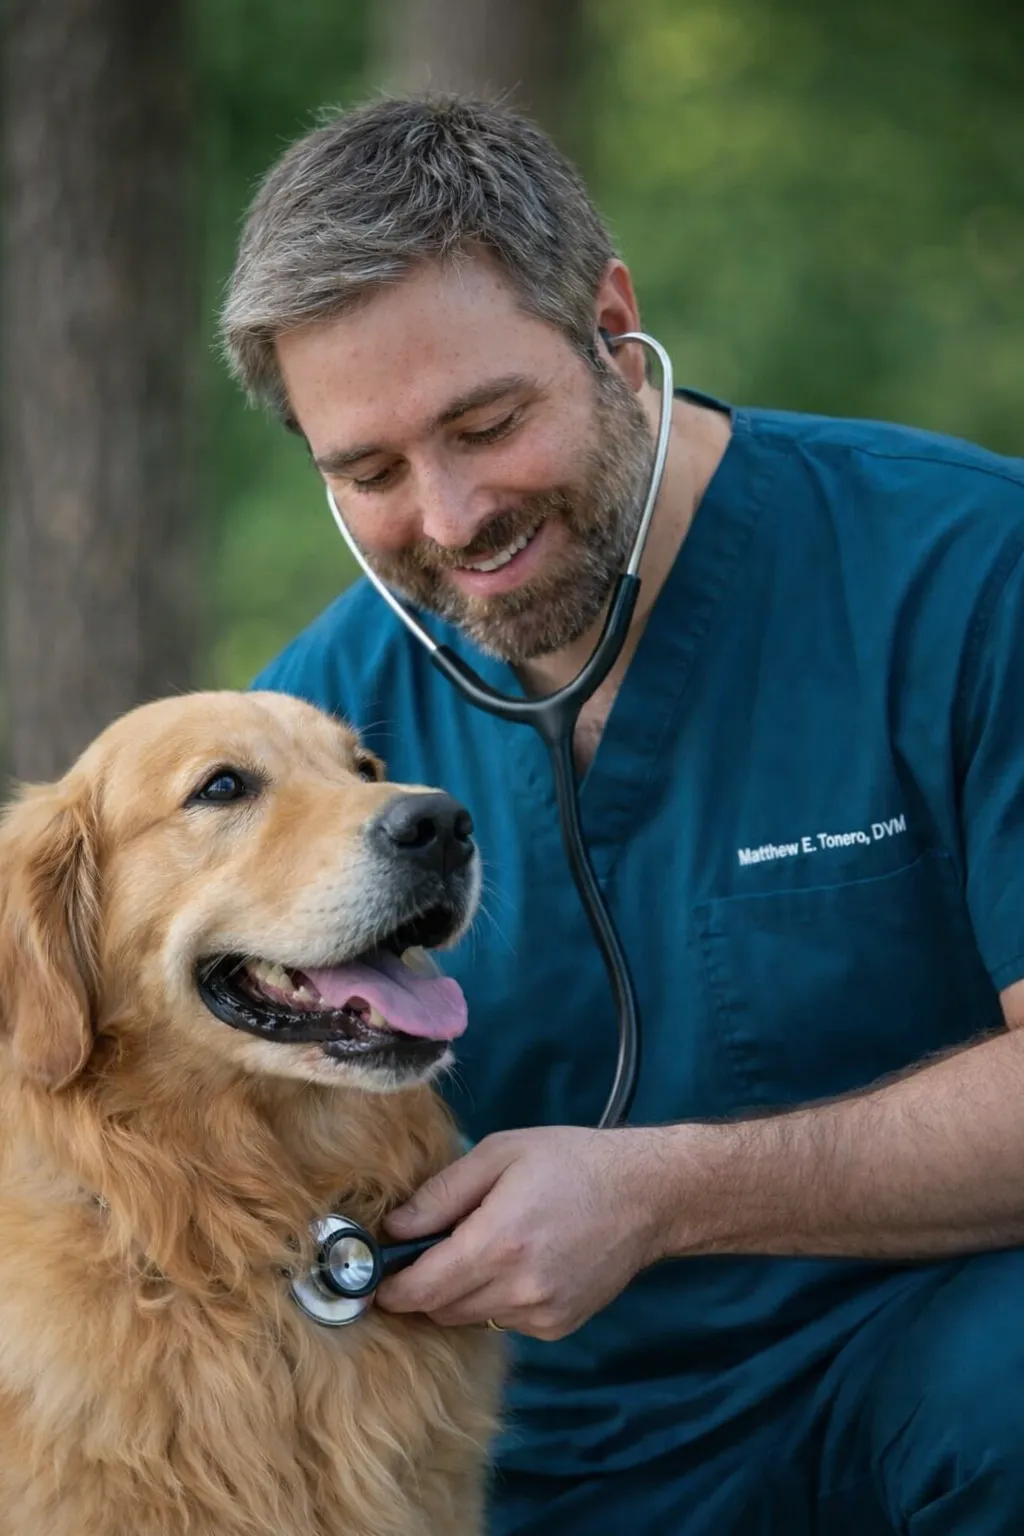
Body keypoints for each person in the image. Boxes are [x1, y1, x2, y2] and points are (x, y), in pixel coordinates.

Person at [220, 93, 1024, 1534]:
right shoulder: (316, 728)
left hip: (934, 1392)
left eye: (487, 424)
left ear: (609, 324)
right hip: (529, 1461)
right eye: (371, 472)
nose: (451, 517)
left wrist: (664, 1194)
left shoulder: (967, 574)